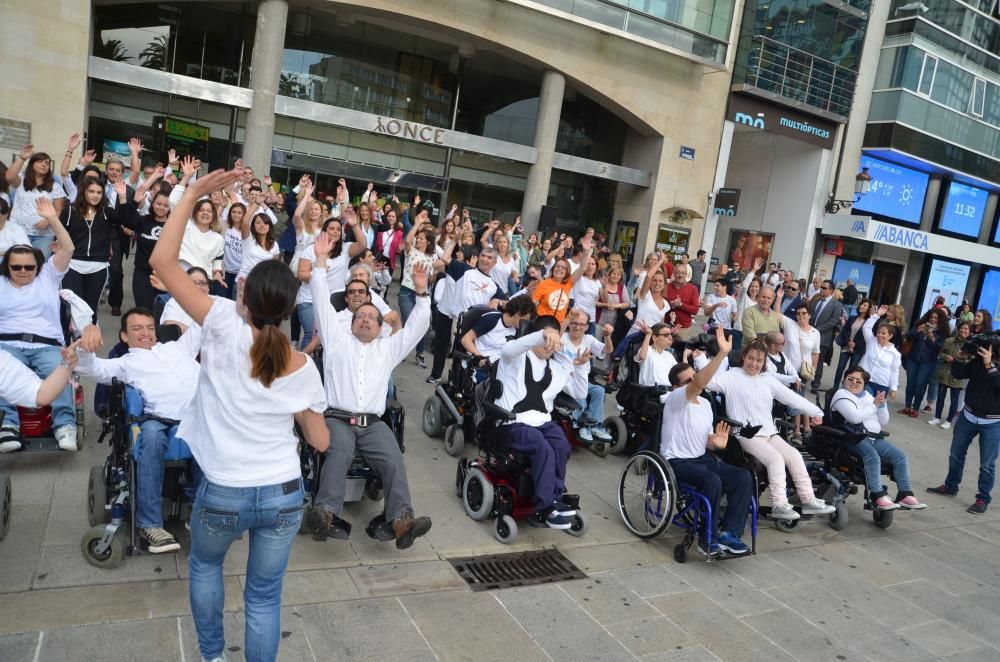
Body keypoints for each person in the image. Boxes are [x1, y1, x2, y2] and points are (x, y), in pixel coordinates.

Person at [149, 168, 330, 662]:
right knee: (265, 597)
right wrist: (290, 408)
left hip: (225, 488)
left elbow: (162, 261)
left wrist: (191, 194)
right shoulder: (302, 366)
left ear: (245, 297)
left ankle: (211, 656)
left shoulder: (223, 321)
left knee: (206, 569)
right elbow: (319, 443)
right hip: (283, 493)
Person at [306, 230, 434, 548]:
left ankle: (402, 521)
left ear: (381, 327)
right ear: (351, 324)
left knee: (393, 458)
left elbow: (417, 328)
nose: (364, 319)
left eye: (371, 317)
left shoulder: (386, 348)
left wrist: (421, 293)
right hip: (337, 418)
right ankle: (325, 514)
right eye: (359, 316)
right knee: (338, 454)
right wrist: (320, 261)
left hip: (373, 423)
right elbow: (321, 301)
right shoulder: (337, 342)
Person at [74, 308, 202, 553]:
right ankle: (151, 524)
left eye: (150, 327)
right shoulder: (126, 362)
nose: (145, 333)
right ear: (124, 336)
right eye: (137, 328)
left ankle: (200, 511)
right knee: (152, 437)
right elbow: (92, 370)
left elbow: (203, 323)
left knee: (213, 436)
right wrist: (85, 346)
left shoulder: (177, 349)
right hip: (156, 420)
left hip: (195, 418)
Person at [706, 339, 836, 520]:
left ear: (764, 362)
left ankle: (808, 499)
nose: (754, 364)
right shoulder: (730, 376)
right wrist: (717, 356)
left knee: (794, 455)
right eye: (751, 358)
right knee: (775, 459)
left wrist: (816, 411)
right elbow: (706, 382)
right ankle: (779, 504)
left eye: (759, 361)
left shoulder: (768, 379)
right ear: (744, 357)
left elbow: (792, 398)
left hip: (768, 432)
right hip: (744, 435)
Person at [0, 197, 83, 452]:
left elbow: (67, 248)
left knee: (59, 368)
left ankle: (64, 425)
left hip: (47, 344)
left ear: (38, 266)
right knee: (3, 371)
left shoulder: (47, 276)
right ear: (7, 266)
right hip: (8, 344)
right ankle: (7, 425)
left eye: (29, 266)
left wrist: (52, 218)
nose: (23, 270)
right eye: (16, 267)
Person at [494, 315, 590, 529]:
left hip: (542, 423)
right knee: (542, 447)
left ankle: (555, 497)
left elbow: (580, 392)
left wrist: (581, 366)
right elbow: (509, 349)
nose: (549, 347)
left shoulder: (555, 368)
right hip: (513, 423)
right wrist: (541, 335)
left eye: (552, 342)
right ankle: (545, 508)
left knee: (561, 444)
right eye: (546, 341)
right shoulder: (515, 358)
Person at [662, 327, 751, 556]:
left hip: (702, 458)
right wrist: (721, 354)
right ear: (677, 387)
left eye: (694, 377)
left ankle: (730, 534)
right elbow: (699, 384)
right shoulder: (674, 399)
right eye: (688, 381)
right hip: (678, 462)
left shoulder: (706, 406)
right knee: (711, 481)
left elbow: (707, 442)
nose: (694, 383)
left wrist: (717, 443)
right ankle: (707, 539)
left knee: (743, 476)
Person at [831, 367, 927, 510]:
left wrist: (882, 405)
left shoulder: (867, 396)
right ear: (844, 379)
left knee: (900, 456)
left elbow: (883, 421)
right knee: (873, 457)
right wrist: (875, 405)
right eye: (850, 379)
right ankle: (877, 495)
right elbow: (854, 417)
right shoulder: (841, 394)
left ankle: (905, 495)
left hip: (873, 438)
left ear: (864, 384)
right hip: (852, 438)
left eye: (859, 381)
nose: (854, 383)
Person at [926, 332, 1000, 514]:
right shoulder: (977, 361)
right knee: (956, 454)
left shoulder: (988, 363)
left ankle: (983, 498)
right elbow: (958, 374)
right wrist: (961, 357)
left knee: (987, 464)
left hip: (993, 422)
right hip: (968, 415)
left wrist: (989, 365)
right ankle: (951, 486)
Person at [561, 308, 614, 442]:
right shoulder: (562, 338)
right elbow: (555, 338)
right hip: (564, 381)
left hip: (582, 379)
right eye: (574, 323)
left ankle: (595, 425)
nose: (577, 327)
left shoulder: (588, 339)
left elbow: (608, 350)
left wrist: (607, 336)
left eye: (582, 324)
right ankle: (580, 425)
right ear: (569, 324)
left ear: (587, 327)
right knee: (581, 391)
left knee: (599, 390)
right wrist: (567, 320)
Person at [5, 146, 68, 258]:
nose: (44, 164)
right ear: (32, 164)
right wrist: (22, 158)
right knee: (18, 263)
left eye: (47, 163)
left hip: (44, 236)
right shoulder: (21, 180)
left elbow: (59, 209)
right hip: (19, 231)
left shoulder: (55, 186)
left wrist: (48, 221)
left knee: (40, 266)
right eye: (40, 161)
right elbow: (9, 177)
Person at [532, 238, 594, 323]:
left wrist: (586, 252)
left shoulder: (568, 283)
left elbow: (582, 269)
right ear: (553, 269)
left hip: (558, 324)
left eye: (563, 268)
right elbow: (532, 304)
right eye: (557, 266)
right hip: (542, 322)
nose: (559, 269)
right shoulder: (544, 284)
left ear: (567, 272)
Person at [899, 308, 947, 417]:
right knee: (910, 383)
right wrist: (917, 331)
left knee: (920, 384)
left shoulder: (941, 331)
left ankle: (915, 409)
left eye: (936, 318)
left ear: (940, 320)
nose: (933, 319)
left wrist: (932, 338)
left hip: (928, 362)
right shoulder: (921, 325)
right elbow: (908, 336)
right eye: (931, 317)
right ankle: (907, 407)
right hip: (913, 358)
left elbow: (941, 348)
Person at [461, 296, 537, 364]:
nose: (526, 323)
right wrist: (480, 357)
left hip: (496, 366)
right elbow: (466, 339)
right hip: (477, 362)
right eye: (526, 319)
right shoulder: (492, 319)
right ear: (517, 314)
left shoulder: (516, 330)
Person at [929, 322, 971, 429]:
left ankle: (949, 420)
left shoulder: (971, 345)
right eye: (961, 328)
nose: (963, 331)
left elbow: (972, 360)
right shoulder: (949, 340)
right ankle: (936, 417)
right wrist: (946, 356)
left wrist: (961, 359)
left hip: (958, 375)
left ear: (969, 331)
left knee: (954, 399)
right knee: (940, 397)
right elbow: (940, 353)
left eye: (966, 329)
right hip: (945, 372)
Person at [807, 280, 843, 392]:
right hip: (809, 334)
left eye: (824, 287)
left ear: (831, 290)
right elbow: (809, 314)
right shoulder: (815, 300)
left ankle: (815, 384)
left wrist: (817, 330)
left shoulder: (837, 304)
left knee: (818, 361)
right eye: (821, 287)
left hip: (823, 337)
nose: (821, 289)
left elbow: (834, 321)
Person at [832, 299, 872, 390]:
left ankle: (847, 388)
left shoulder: (869, 322)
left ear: (869, 309)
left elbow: (866, 337)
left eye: (865, 305)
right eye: (862, 304)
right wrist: (849, 342)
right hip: (846, 346)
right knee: (840, 367)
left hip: (858, 349)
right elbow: (845, 330)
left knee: (852, 370)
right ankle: (835, 387)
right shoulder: (852, 317)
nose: (862, 306)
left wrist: (855, 344)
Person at [665, 262, 700, 340]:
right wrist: (670, 305)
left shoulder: (693, 288)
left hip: (683, 328)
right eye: (678, 273)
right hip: (666, 326)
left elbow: (695, 310)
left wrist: (680, 305)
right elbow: (660, 305)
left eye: (683, 273)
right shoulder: (666, 287)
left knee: (681, 351)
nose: (680, 275)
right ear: (674, 273)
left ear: (686, 274)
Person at [635, 321, 676, 387]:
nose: (670, 338)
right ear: (654, 338)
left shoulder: (669, 355)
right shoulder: (648, 350)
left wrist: (685, 355)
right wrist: (648, 334)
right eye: (666, 335)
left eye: (671, 335)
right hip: (651, 392)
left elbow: (679, 373)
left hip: (669, 391)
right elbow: (642, 356)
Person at [740, 285, 780, 350]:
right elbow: (749, 335)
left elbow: (776, 336)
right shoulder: (749, 312)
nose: (766, 300)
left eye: (769, 298)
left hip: (769, 352)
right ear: (758, 296)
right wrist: (764, 348)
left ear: (772, 300)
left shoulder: (775, 316)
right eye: (763, 297)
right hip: (751, 351)